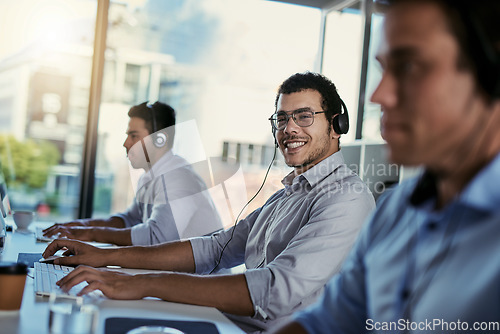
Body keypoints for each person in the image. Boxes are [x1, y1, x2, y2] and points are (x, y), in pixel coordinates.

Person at [42, 72, 375, 333]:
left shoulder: (345, 198)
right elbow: (214, 249)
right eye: (281, 119)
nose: (288, 129)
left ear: (336, 125)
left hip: (250, 329)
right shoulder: (287, 195)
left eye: (303, 116)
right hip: (229, 323)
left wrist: (139, 282)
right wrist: (104, 257)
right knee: (98, 317)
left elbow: (273, 290)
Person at [273, 1, 500, 333]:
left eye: (409, 67)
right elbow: (327, 321)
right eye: (383, 70)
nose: (378, 96)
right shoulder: (396, 210)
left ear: (490, 72)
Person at [43, 101, 223, 246]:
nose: (126, 143)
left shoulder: (178, 178)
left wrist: (92, 233)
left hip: (202, 283)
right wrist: (80, 226)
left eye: (134, 136)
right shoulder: (150, 176)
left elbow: (156, 237)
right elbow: (130, 219)